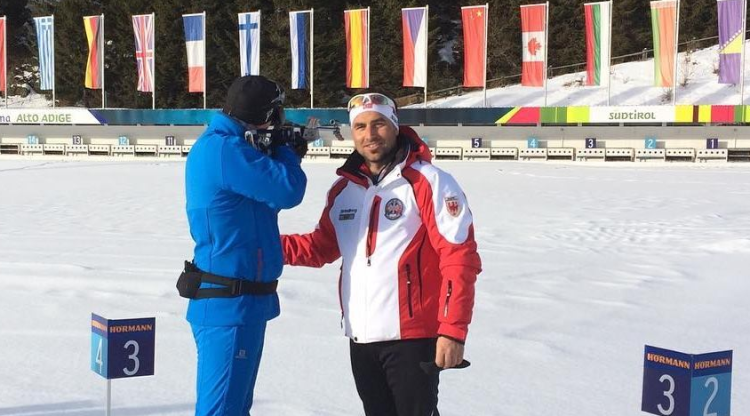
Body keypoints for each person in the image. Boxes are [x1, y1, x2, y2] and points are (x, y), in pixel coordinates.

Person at [281, 92, 481, 416]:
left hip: (413, 339)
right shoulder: (344, 191)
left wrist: (453, 330)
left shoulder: (429, 182)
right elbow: (319, 248)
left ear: (395, 125)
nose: (370, 134)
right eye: (360, 127)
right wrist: (259, 244)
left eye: (378, 124)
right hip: (361, 338)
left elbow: (459, 259)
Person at [180, 75, 307, 415]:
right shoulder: (225, 150)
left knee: (234, 408)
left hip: (239, 301)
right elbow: (288, 190)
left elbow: (266, 204)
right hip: (229, 303)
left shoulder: (230, 148)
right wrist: (286, 153)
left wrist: (276, 151)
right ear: (267, 114)